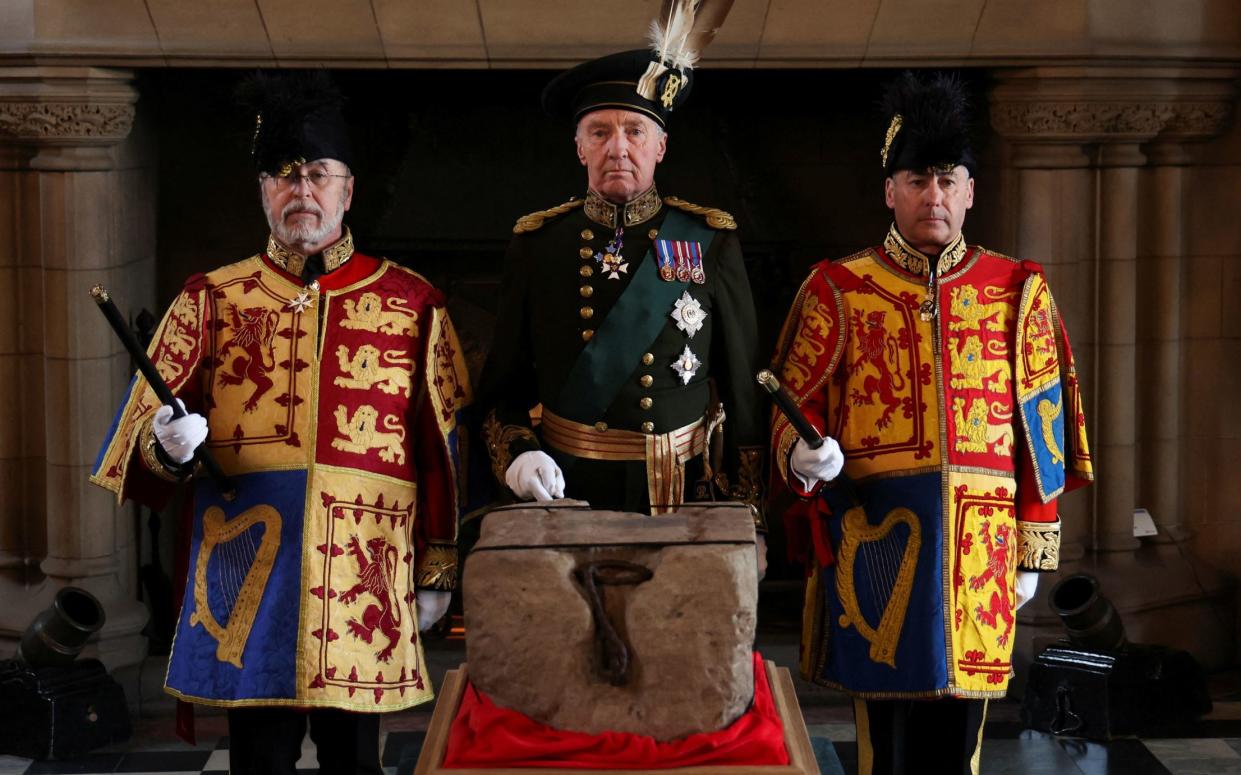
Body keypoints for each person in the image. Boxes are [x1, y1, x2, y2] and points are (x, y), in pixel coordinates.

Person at [90, 71, 470, 775]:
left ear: (346, 189)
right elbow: (137, 453)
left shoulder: (414, 301)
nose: (302, 191)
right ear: (263, 190)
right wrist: (169, 448)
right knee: (258, 760)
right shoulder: (210, 297)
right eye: (284, 176)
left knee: (356, 760)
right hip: (246, 575)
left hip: (367, 571)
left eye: (318, 175)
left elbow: (440, 445)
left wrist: (438, 566)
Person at [768, 72, 1094, 774]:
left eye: (948, 180)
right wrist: (804, 453)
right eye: (917, 179)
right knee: (883, 744)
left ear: (970, 190)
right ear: (890, 190)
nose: (933, 196)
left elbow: (1043, 428)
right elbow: (792, 405)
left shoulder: (1015, 288)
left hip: (982, 548)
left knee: (961, 745)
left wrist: (1034, 545)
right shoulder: (839, 287)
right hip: (873, 542)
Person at [475, 42, 766, 532]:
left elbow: (744, 387)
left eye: (634, 131)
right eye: (599, 132)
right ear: (579, 146)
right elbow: (503, 386)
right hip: (569, 488)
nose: (618, 147)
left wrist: (749, 515)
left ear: (660, 146)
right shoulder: (539, 244)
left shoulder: (712, 240)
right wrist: (520, 456)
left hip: (685, 491)